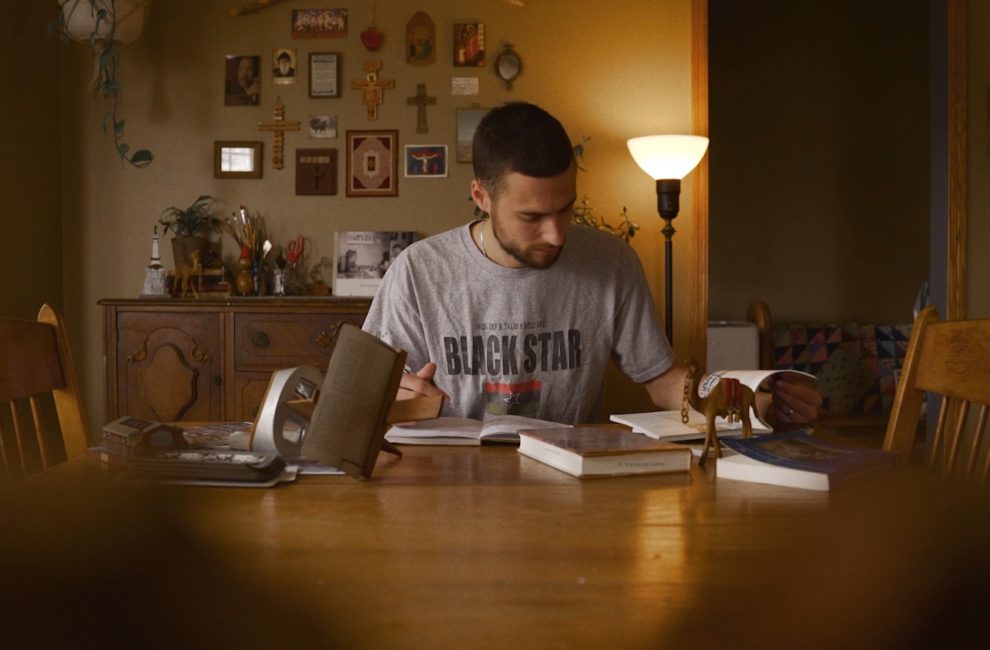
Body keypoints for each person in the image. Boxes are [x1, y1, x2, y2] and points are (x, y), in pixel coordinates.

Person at [362, 102, 821, 425]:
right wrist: (393, 400)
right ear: (481, 196)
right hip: (449, 490)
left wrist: (742, 401)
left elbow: (663, 381)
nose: (556, 234)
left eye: (565, 208)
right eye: (531, 217)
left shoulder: (611, 262)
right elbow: (364, 399)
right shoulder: (418, 271)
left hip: (570, 483)